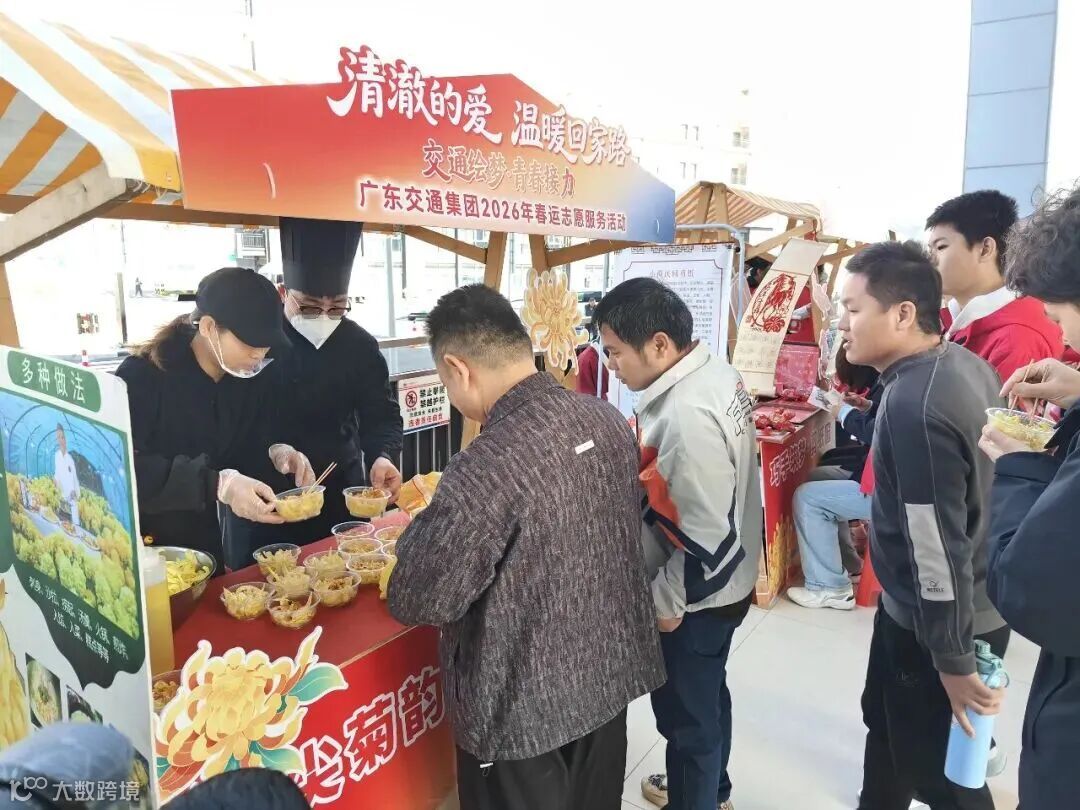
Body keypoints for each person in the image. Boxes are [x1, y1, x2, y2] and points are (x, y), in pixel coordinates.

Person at [387, 284, 664, 810]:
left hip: (522, 711)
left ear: (458, 369)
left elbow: (418, 598)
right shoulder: (605, 420)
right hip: (606, 682)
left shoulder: (485, 466)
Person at [839, 241, 1009, 810]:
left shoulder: (916, 403)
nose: (841, 323)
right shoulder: (957, 364)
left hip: (939, 624)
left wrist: (953, 660)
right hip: (926, 608)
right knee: (888, 732)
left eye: (853, 309)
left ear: (903, 313)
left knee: (944, 774)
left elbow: (935, 545)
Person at [592, 278, 761, 810]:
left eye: (615, 352)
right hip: (730, 583)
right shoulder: (712, 371)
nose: (612, 366)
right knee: (708, 695)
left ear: (659, 344)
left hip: (699, 596)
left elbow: (707, 542)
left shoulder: (685, 416)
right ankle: (715, 790)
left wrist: (666, 604)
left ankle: (697, 795)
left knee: (687, 722)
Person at [978, 185, 1080, 810]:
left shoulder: (1011, 331)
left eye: (1063, 317)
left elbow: (1031, 588)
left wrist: (1017, 469)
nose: (1061, 333)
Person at [227, 218, 403, 565]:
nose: (323, 317)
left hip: (339, 495)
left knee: (343, 576)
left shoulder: (359, 345)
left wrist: (383, 455)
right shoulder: (254, 341)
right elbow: (232, 419)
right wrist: (273, 449)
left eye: (336, 308)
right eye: (308, 307)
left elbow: (381, 415)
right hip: (265, 496)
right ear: (284, 294)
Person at [115, 267, 313, 569]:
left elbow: (241, 447)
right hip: (146, 545)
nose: (259, 355)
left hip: (203, 540)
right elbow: (124, 470)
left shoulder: (245, 377)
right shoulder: (143, 377)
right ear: (208, 327)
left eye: (266, 346)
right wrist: (216, 483)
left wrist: (276, 454)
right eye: (250, 343)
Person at [927, 189, 1063, 381]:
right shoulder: (954, 323)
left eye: (941, 247)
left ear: (985, 249)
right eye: (929, 250)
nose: (929, 260)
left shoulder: (1017, 339)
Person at [786, 348, 880, 610]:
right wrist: (867, 406)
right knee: (818, 479)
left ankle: (828, 587)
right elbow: (888, 419)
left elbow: (882, 432)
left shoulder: (909, 378)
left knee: (807, 498)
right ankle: (848, 564)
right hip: (882, 477)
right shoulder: (911, 375)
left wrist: (844, 413)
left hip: (891, 490)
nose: (847, 335)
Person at [52, 424, 81, 529]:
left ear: (66, 438)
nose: (61, 440)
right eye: (58, 437)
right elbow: (57, 473)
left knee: (73, 527)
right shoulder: (57, 456)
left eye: (62, 437)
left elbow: (75, 480)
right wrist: (54, 480)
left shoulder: (70, 460)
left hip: (71, 499)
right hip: (61, 498)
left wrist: (75, 492)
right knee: (61, 526)